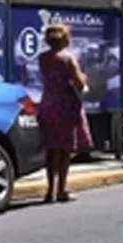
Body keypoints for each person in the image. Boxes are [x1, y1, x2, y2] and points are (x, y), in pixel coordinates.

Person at [37, 22, 91, 203]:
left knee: (51, 149)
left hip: (47, 103)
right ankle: (62, 189)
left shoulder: (42, 58)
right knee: (65, 149)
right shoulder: (68, 59)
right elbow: (79, 83)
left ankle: (49, 190)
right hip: (65, 105)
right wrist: (83, 78)